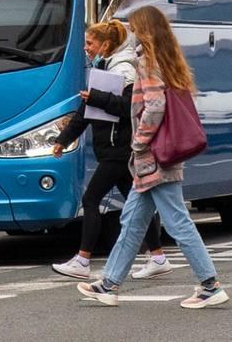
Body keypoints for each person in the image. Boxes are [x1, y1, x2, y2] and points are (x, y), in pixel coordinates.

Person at [77, 5, 229, 309]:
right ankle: (109, 284)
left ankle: (210, 284)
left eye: (134, 28)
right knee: (132, 220)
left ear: (144, 31)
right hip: (156, 158)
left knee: (177, 222)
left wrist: (139, 142)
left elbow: (155, 107)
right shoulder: (167, 59)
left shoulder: (149, 63)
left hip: (155, 157)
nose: (131, 34)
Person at [49, 19, 172, 280]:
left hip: (119, 148)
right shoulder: (106, 66)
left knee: (91, 200)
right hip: (116, 149)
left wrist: (96, 98)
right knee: (138, 202)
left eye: (90, 43)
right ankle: (158, 256)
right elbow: (87, 112)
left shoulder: (123, 68)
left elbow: (128, 106)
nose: (86, 48)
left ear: (106, 44)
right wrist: (63, 139)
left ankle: (83, 260)